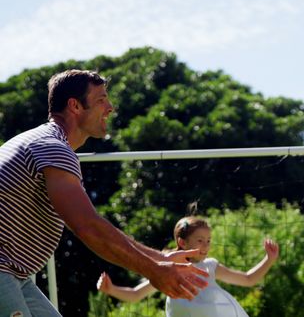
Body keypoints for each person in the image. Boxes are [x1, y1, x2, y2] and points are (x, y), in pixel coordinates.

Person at [0, 70, 208, 317]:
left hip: (15, 273)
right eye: (101, 100)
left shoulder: (40, 142)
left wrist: (160, 257)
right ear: (75, 106)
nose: (110, 107)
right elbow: (88, 227)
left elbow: (94, 224)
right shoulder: (53, 148)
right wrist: (154, 270)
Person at [97, 216, 280, 317]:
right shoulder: (167, 269)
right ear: (182, 243)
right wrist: (111, 289)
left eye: (208, 241)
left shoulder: (211, 266)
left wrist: (269, 260)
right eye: (200, 241)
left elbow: (248, 279)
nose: (206, 246)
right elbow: (136, 294)